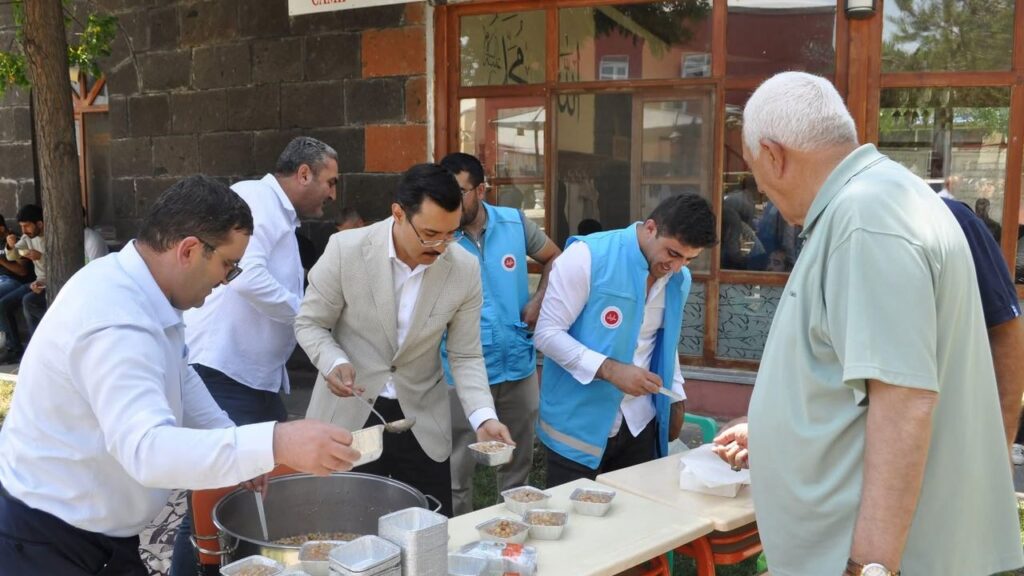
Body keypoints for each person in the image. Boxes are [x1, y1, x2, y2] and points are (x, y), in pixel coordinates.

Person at [715, 71, 1022, 576]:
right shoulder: (881, 199)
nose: (764, 194)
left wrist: (869, 567)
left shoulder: (865, 218)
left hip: (875, 560)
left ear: (773, 155)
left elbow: (904, 400)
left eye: (756, 175)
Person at [0, 175, 360, 576]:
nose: (227, 279)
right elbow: (148, 451)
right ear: (189, 249)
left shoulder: (144, 288)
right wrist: (276, 442)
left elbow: (181, 373)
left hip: (100, 535)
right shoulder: (116, 320)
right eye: (227, 264)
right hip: (49, 540)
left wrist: (238, 447)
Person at [296, 163, 513, 517]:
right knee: (345, 531)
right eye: (430, 234)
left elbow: (466, 355)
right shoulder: (344, 250)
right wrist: (334, 362)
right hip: (351, 414)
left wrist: (483, 417)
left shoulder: (463, 268)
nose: (441, 246)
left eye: (451, 234)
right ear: (398, 213)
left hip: (422, 422)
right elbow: (310, 323)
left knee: (427, 533)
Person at [172, 137, 339, 575]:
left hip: (255, 377)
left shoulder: (279, 213)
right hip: (226, 372)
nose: (333, 193)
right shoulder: (256, 199)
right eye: (330, 181)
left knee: (257, 483)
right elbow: (246, 279)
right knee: (215, 495)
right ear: (303, 173)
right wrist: (308, 318)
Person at [534, 193, 717, 486]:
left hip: (639, 422)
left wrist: (676, 395)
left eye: (689, 258)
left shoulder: (679, 280)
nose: (678, 266)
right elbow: (546, 334)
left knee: (634, 523)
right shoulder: (587, 257)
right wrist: (609, 369)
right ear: (650, 228)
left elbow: (665, 343)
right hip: (578, 425)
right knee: (575, 525)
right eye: (672, 253)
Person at [439, 152, 561, 515]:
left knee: (516, 464)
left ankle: (510, 538)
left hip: (518, 366)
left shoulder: (514, 223)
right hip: (459, 372)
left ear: (480, 189)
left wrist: (539, 300)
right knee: (456, 470)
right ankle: (456, 546)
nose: (451, 201)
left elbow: (555, 257)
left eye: (459, 192)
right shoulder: (440, 235)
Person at [0, 204, 44, 361]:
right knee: (4, 305)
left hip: (49, 282)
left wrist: (41, 257)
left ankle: (37, 350)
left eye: (27, 226)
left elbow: (61, 262)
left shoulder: (53, 236)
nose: (24, 230)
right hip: (36, 282)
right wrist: (10, 246)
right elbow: (13, 255)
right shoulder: (27, 238)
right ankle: (15, 349)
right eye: (21, 226)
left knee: (28, 301)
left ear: (39, 224)